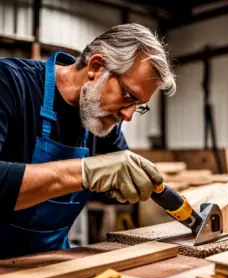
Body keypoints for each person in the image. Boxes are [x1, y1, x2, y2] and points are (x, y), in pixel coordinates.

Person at [0, 23, 176, 258]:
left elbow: (118, 184)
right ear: (96, 67)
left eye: (139, 106)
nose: (128, 115)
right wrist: (85, 172)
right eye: (128, 96)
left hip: (49, 260)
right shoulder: (10, 83)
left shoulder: (101, 121)